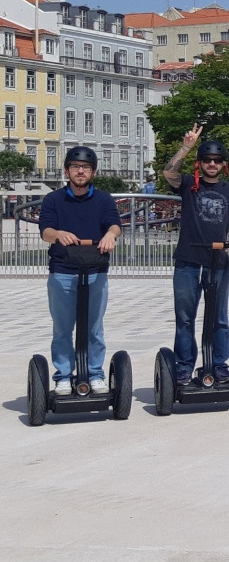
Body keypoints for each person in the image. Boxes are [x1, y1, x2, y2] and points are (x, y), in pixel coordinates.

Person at [163, 124, 229, 385]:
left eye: (217, 160)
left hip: (218, 260)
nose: (212, 164)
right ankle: (184, 366)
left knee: (218, 316)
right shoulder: (188, 184)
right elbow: (168, 172)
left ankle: (219, 364)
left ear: (224, 164)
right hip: (188, 259)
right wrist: (186, 147)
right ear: (200, 163)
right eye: (208, 160)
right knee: (185, 317)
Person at [38, 146, 123, 395]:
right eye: (75, 167)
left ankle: (95, 374)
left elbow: (115, 225)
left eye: (85, 167)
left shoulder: (104, 200)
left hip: (95, 270)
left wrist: (110, 234)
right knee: (63, 328)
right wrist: (59, 234)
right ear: (67, 170)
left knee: (94, 328)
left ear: (93, 172)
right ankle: (63, 375)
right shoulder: (53, 199)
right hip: (63, 271)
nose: (80, 171)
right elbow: (45, 230)